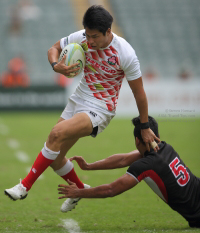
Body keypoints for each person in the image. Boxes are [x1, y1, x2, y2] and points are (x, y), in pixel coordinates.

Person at [4, 5, 159, 213]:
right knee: (56, 158)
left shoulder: (126, 54)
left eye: (94, 36)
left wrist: (145, 125)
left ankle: (24, 186)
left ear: (108, 32)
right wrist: (54, 64)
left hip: (101, 109)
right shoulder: (83, 37)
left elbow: (139, 93)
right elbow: (53, 49)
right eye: (87, 35)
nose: (90, 41)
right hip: (78, 99)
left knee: (56, 134)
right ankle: (79, 188)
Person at [57, 116, 200, 228]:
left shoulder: (145, 165)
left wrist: (79, 192)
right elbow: (123, 159)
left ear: (137, 140)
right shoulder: (165, 147)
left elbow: (111, 190)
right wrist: (89, 166)